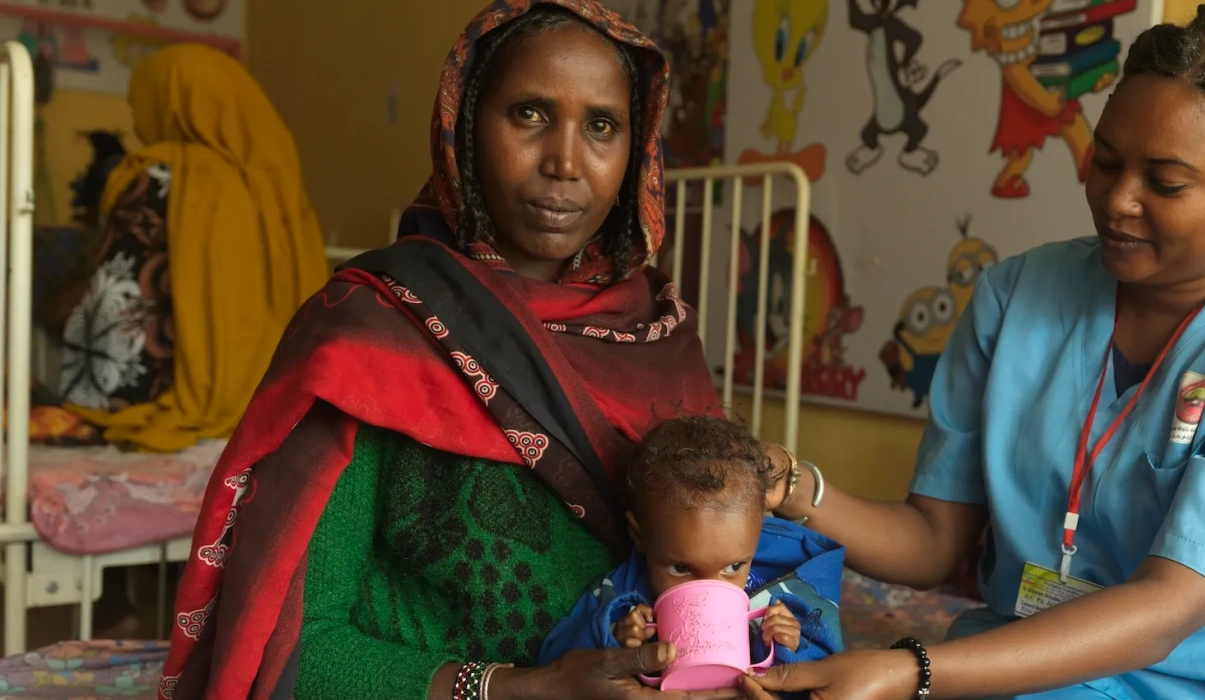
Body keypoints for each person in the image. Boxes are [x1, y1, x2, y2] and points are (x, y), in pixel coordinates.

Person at [742, 4, 1205, 699]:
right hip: (1037, 661)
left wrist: (911, 670)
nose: (1117, 200)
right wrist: (789, 485)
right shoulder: (1017, 296)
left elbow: (1165, 610)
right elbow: (933, 541)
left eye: (1164, 182)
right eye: (1103, 161)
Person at [159, 3, 787, 698]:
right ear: (464, 128)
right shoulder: (371, 336)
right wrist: (522, 689)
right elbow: (294, 649)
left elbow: (721, 572)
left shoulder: (663, 343)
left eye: (602, 126)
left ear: (636, 152)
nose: (565, 161)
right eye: (529, 114)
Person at [58, 44, 328, 453]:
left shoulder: (158, 174)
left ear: (170, 103)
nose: (136, 119)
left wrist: (90, 398)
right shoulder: (278, 188)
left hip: (151, 390)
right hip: (281, 400)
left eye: (140, 104)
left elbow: (115, 299)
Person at [538, 416, 843, 670]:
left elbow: (829, 668)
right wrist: (613, 637)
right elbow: (554, 660)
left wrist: (794, 645)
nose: (708, 590)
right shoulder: (622, 592)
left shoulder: (787, 582)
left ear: (757, 532)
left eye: (734, 566)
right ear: (640, 535)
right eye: (681, 568)